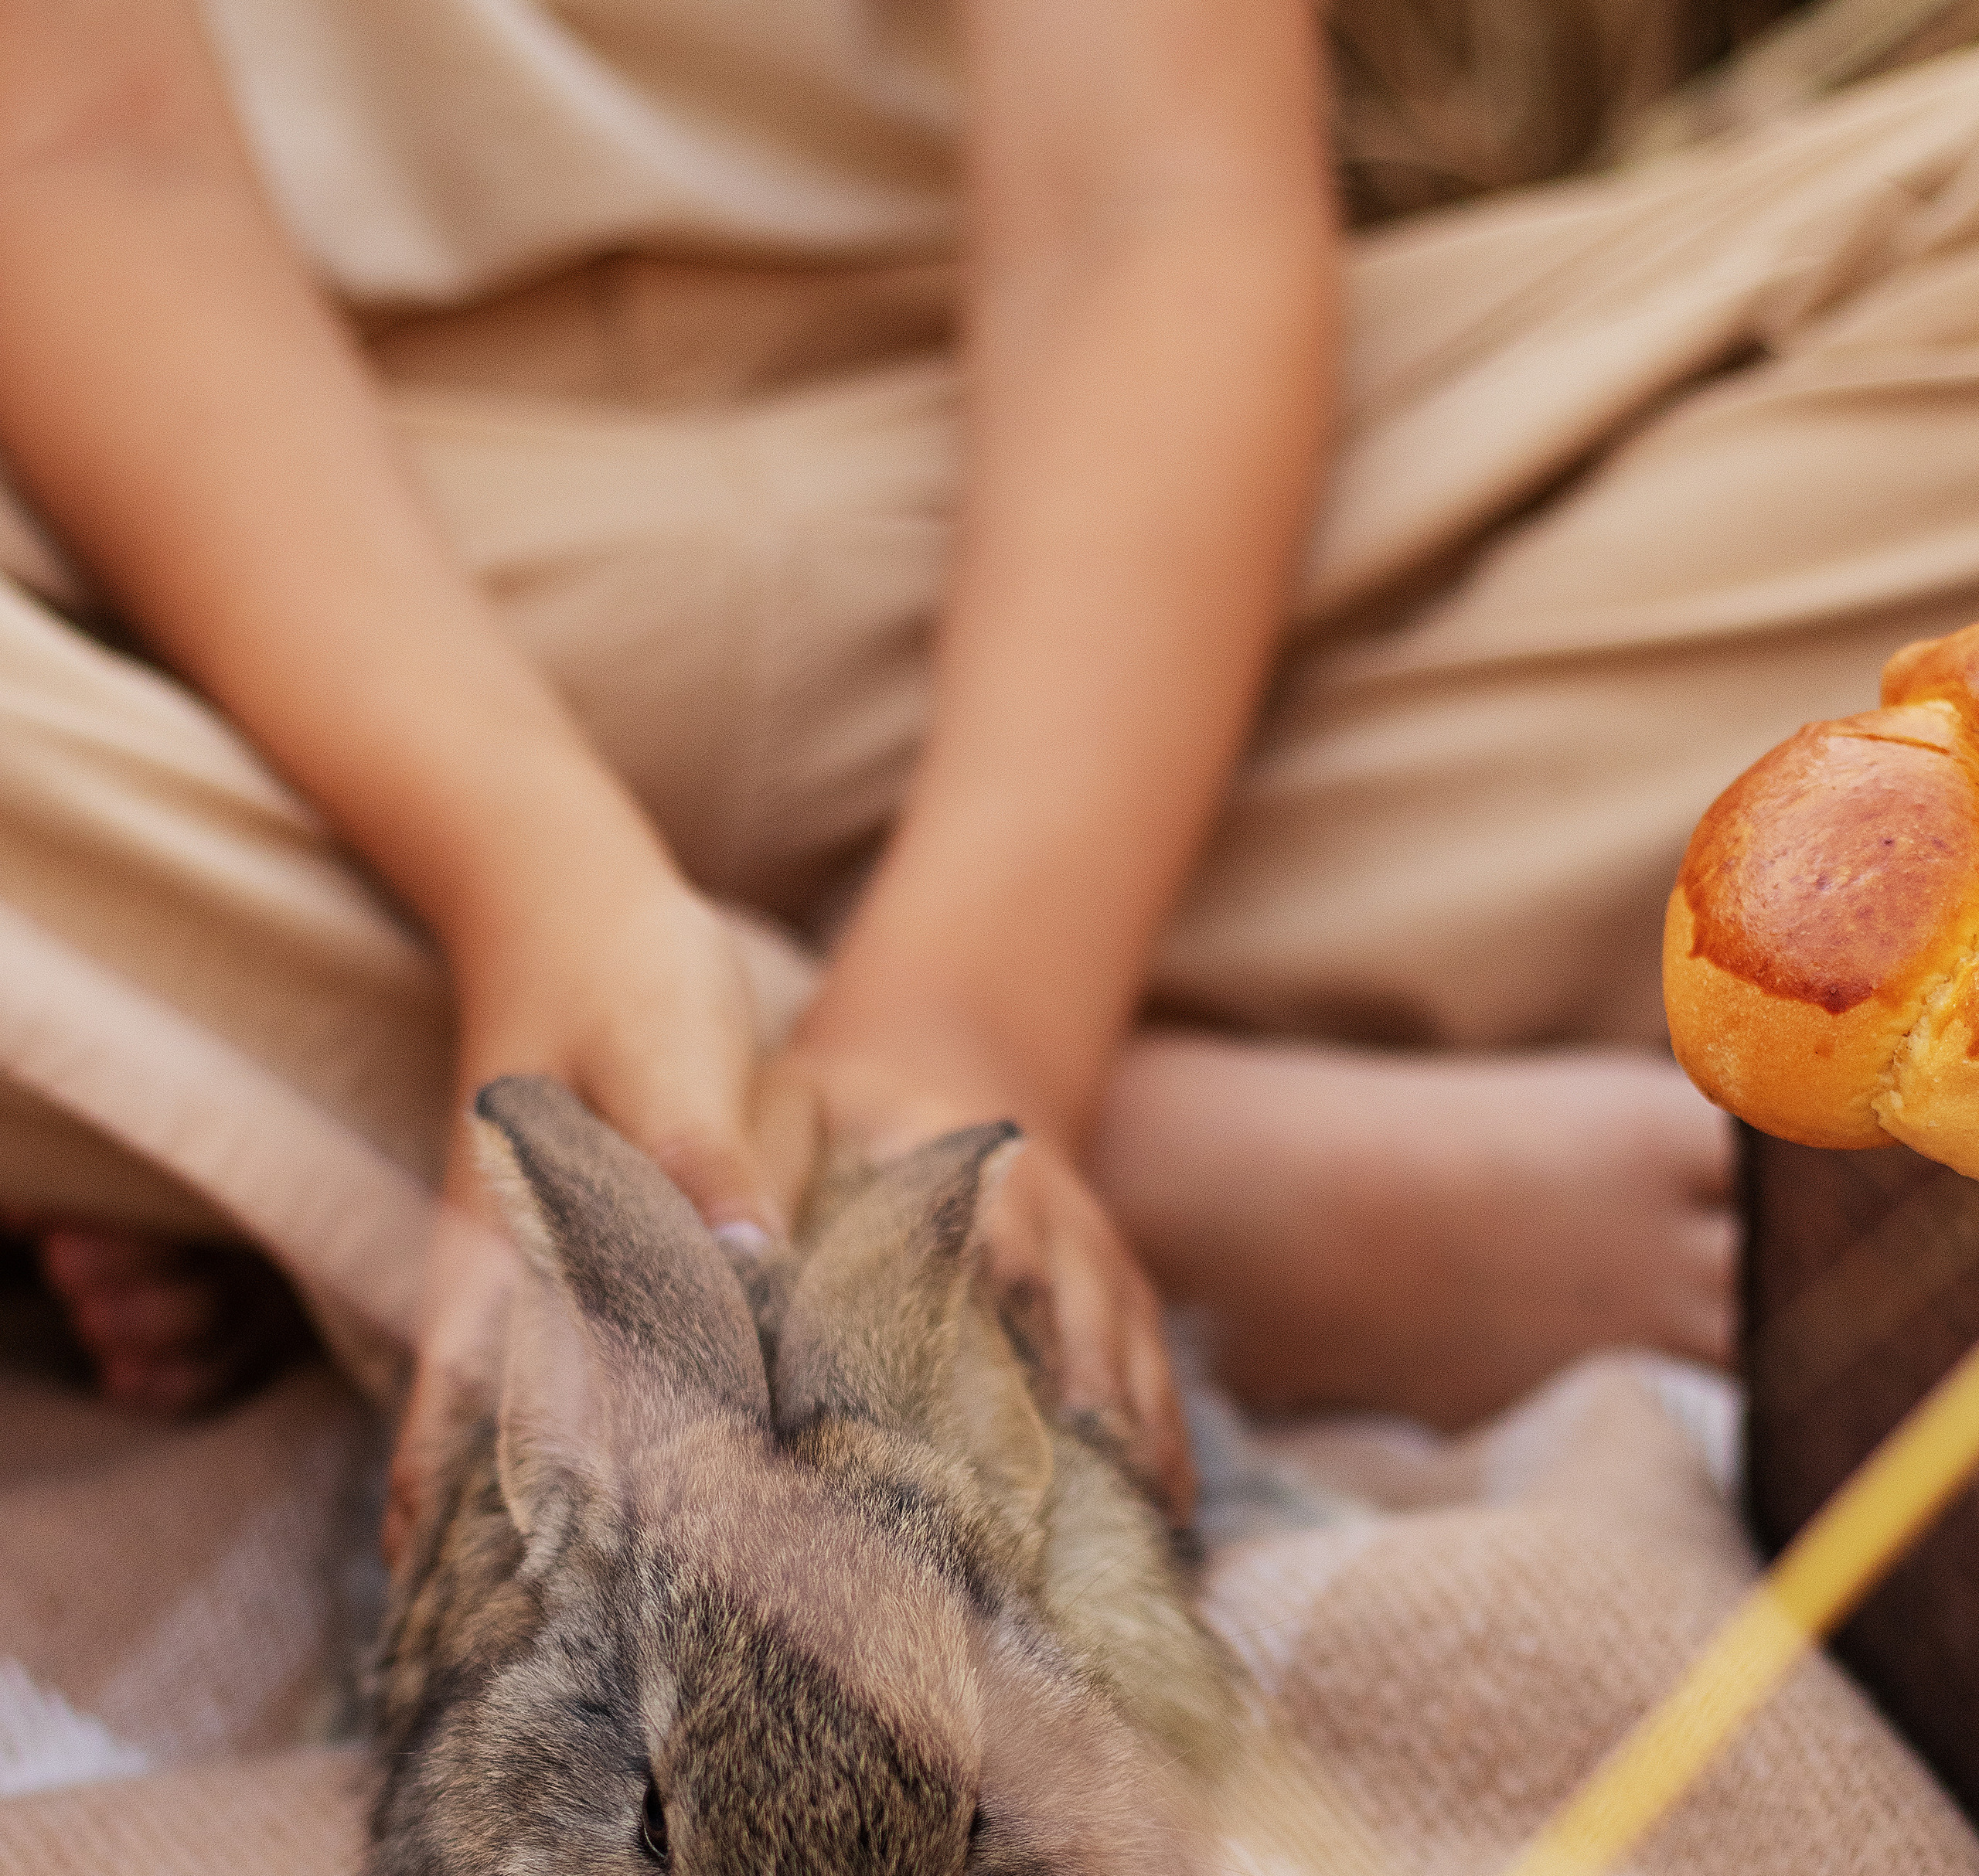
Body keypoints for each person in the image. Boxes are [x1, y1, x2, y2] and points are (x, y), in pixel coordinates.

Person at [2, 0, 1973, 1520]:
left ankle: (528, 1142)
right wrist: (528, 875)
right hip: (264, 560)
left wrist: (974, 1018)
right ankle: (1057, 1191)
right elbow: (86, 166)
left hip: (1064, 537)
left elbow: (1148, 209)